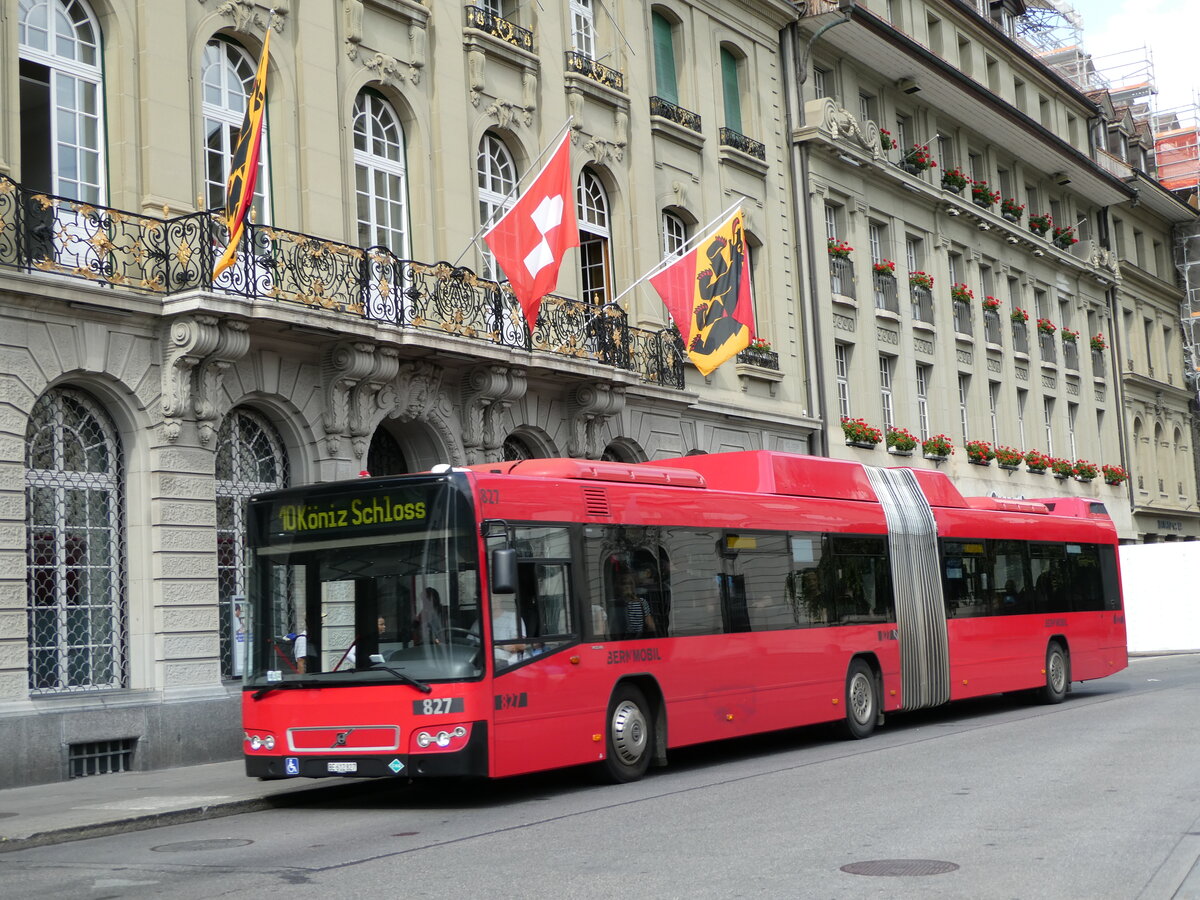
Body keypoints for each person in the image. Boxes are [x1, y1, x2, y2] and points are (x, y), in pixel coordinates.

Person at [613, 572, 656, 637]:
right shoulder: (616, 603)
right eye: (624, 584)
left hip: (639, 638)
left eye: (629, 584)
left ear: (633, 586)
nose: (627, 586)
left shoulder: (642, 602)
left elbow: (650, 623)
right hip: (623, 639)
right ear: (619, 587)